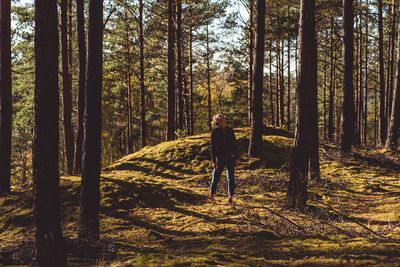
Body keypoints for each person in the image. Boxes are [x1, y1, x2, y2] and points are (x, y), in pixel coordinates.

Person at [209, 113, 239, 204]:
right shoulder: (215, 132)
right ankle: (212, 195)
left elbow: (234, 144)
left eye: (224, 119)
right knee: (216, 177)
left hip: (230, 157)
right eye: (221, 120)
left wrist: (237, 157)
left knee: (231, 177)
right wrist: (214, 161)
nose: (224, 121)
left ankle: (230, 197)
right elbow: (213, 147)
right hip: (220, 158)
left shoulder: (230, 130)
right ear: (217, 121)